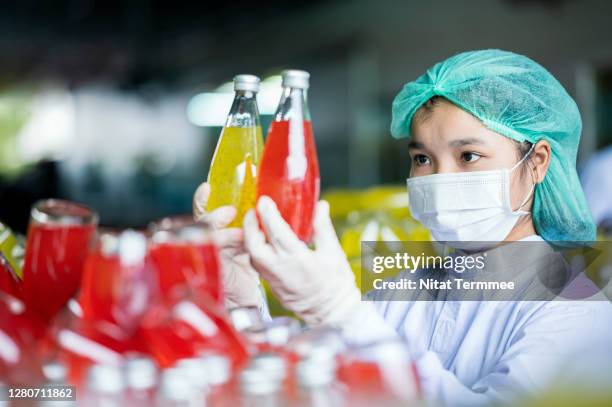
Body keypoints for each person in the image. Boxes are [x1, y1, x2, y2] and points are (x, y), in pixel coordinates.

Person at [193, 50, 612, 405]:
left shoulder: (574, 311)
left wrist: (343, 315)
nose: (437, 179)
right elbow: (298, 380)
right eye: (423, 159)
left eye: (468, 156)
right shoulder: (404, 292)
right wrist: (240, 298)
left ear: (537, 162)